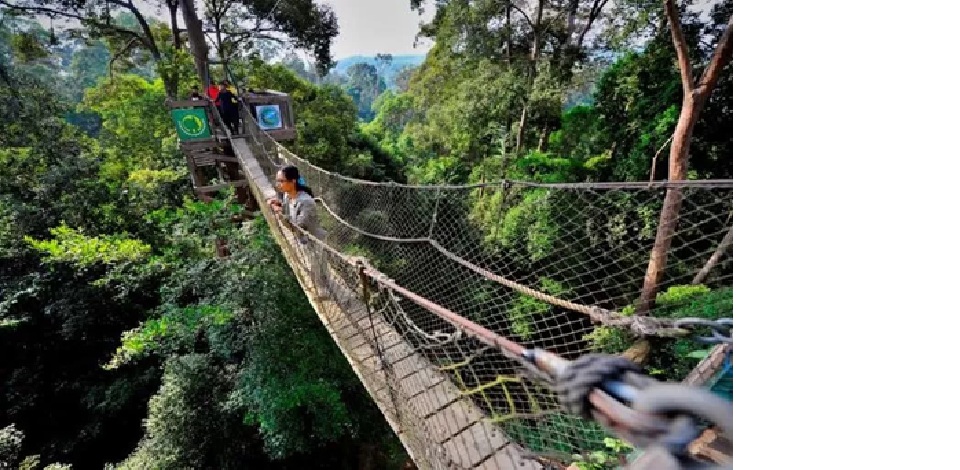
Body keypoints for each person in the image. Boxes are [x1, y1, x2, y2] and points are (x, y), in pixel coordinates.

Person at [267, 165, 324, 241]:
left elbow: (297, 228)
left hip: (314, 244)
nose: (278, 185)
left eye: (281, 181)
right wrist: (279, 204)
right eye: (277, 181)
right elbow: (289, 208)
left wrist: (280, 213)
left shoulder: (306, 202)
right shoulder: (287, 195)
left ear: (293, 181)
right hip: (302, 241)